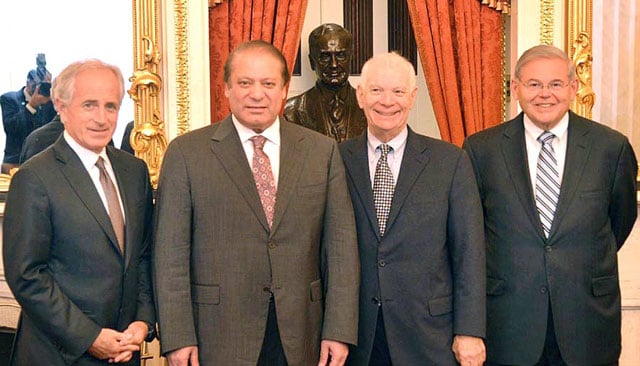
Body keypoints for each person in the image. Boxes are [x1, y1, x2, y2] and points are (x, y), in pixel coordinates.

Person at [153, 40, 360, 366]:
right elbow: (170, 257)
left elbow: (341, 250)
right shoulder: (186, 154)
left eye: (268, 84)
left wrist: (339, 330)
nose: (256, 94)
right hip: (217, 333)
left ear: (284, 90)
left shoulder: (322, 152)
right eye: (245, 83)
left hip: (302, 333)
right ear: (226, 89)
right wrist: (177, 337)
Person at [462, 44, 638, 365]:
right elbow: (470, 237)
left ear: (573, 88)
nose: (545, 94)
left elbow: (618, 222)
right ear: (516, 88)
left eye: (556, 84)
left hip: (587, 324)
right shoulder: (480, 150)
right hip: (508, 326)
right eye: (533, 84)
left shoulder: (611, 149)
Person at [3, 59, 156, 365]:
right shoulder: (34, 177)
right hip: (58, 354)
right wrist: (90, 338)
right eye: (89, 105)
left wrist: (143, 321)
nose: (102, 118)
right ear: (61, 107)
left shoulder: (133, 171)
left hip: (125, 351)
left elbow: (140, 257)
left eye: (111, 106)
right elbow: (27, 276)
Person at [340, 52, 486, 365]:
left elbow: (469, 252)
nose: (387, 101)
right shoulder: (335, 160)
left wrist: (470, 331)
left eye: (398, 91)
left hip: (429, 335)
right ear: (361, 95)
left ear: (414, 96)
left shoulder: (450, 162)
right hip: (355, 337)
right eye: (377, 90)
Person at [283, 23, 366, 142]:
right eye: (325, 56)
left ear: (350, 59)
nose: (334, 65)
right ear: (312, 61)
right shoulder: (291, 112)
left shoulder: (371, 107)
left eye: (341, 56)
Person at [0, 54, 57, 173]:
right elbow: (11, 128)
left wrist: (54, 97)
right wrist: (31, 106)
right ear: (28, 81)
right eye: (35, 85)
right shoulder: (9, 99)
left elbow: (56, 126)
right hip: (15, 162)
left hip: (44, 161)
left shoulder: (49, 101)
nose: (38, 89)